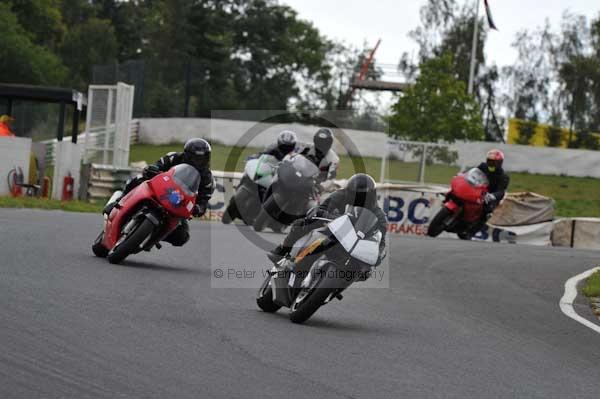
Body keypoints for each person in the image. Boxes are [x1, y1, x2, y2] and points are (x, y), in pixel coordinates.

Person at [104, 138, 215, 247]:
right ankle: (118, 202)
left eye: (200, 159)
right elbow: (157, 165)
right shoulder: (174, 157)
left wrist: (199, 208)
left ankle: (154, 234)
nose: (197, 162)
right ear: (187, 155)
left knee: (182, 237)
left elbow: (204, 200)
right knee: (139, 179)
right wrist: (153, 169)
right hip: (159, 188)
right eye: (194, 158)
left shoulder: (207, 178)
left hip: (178, 204)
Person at [268, 173, 387, 265]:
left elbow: (381, 240)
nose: (359, 199)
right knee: (302, 223)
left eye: (363, 197)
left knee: (367, 266)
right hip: (332, 227)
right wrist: (326, 215)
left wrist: (378, 254)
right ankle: (282, 249)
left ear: (371, 196)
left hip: (354, 240)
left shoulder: (378, 214)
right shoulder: (340, 195)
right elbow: (322, 208)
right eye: (356, 195)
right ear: (349, 192)